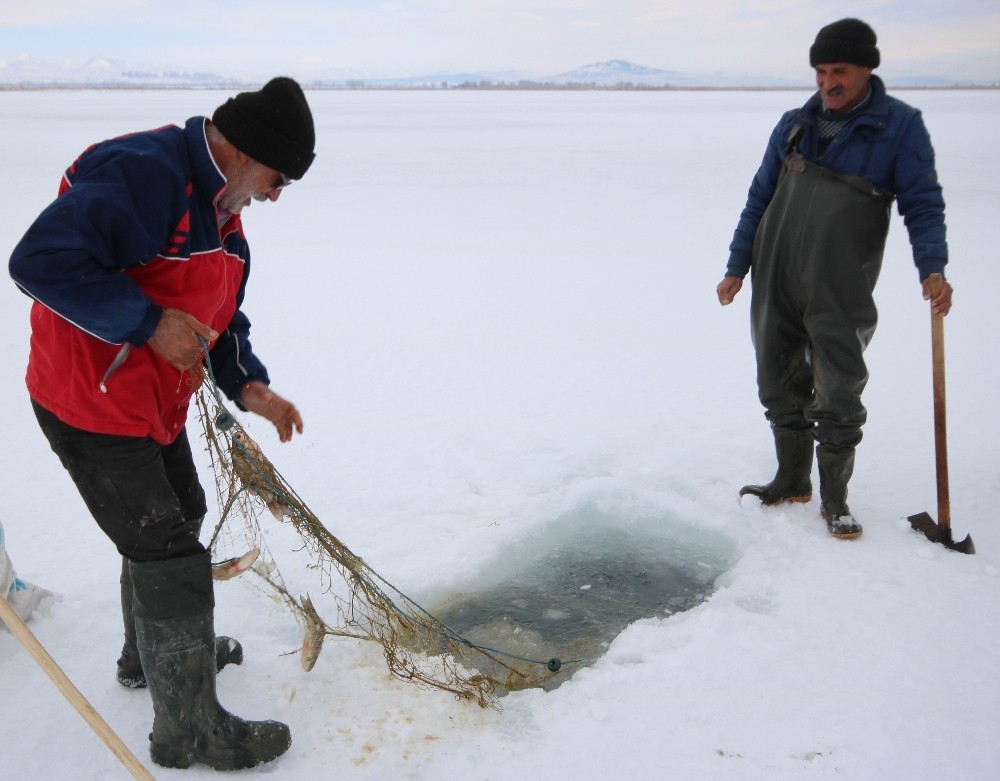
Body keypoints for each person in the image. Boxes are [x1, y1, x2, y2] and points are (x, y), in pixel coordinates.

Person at [8, 76, 315, 771]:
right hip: (90, 402)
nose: (274, 195)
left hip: (149, 401)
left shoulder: (224, 215)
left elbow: (219, 319)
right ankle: (188, 730)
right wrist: (145, 323)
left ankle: (152, 657)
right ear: (244, 152)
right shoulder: (145, 176)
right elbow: (38, 261)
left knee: (181, 510)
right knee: (165, 546)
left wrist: (252, 386)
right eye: (278, 177)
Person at [716, 19, 953, 540]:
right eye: (820, 72)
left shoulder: (898, 128)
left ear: (868, 68)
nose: (827, 82)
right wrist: (737, 266)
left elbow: (922, 204)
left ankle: (836, 500)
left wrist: (932, 267)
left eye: (839, 71)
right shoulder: (794, 124)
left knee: (839, 386)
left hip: (840, 281)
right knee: (777, 378)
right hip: (774, 271)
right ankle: (792, 479)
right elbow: (759, 196)